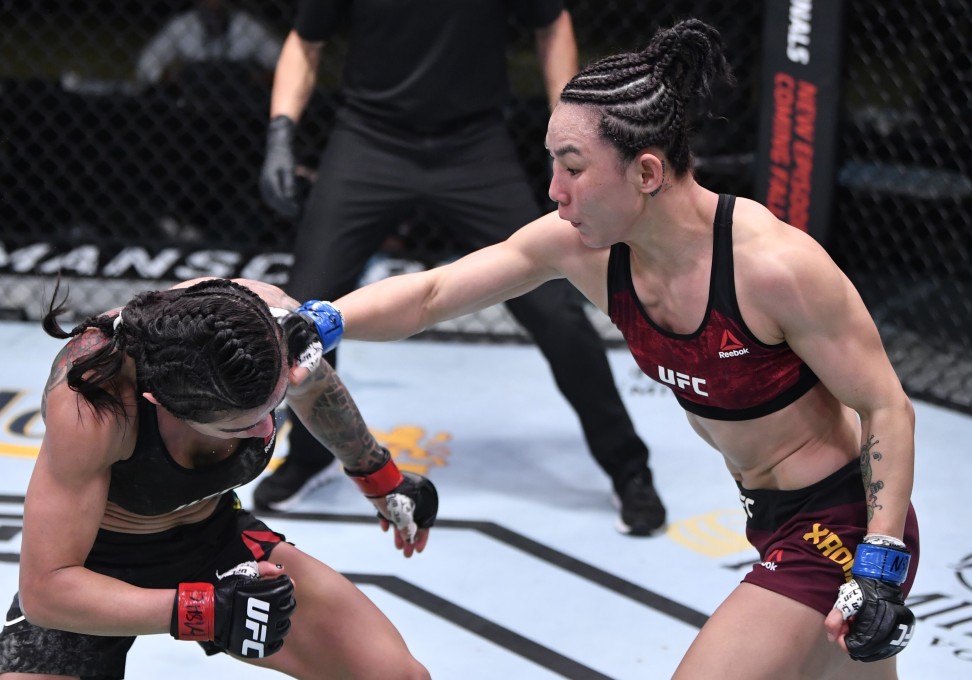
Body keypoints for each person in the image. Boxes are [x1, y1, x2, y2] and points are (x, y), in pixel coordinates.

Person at [307, 19, 922, 678]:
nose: (554, 190)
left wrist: (880, 565)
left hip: (842, 519)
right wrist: (320, 321)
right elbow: (432, 295)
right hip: (764, 514)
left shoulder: (774, 268)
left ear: (647, 172)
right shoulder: (585, 247)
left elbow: (885, 407)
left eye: (573, 167)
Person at [256, 0, 667, 537]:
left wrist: (572, 130)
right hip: (370, 139)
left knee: (555, 311)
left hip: (473, 144)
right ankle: (310, 455)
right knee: (307, 309)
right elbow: (304, 42)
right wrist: (280, 131)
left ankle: (628, 469)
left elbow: (551, 23)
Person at [0, 277, 437, 679]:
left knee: (396, 675)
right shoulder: (94, 404)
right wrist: (205, 610)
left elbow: (310, 381)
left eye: (271, 409)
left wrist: (378, 475)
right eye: (239, 425)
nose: (264, 431)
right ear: (162, 402)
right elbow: (47, 588)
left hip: (214, 540)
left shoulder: (252, 326)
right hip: (93, 567)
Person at [135, 0, 282, 85]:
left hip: (240, 104)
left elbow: (283, 65)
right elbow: (146, 65)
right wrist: (176, 80)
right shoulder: (184, 25)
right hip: (192, 103)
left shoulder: (246, 26)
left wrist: (257, 80)